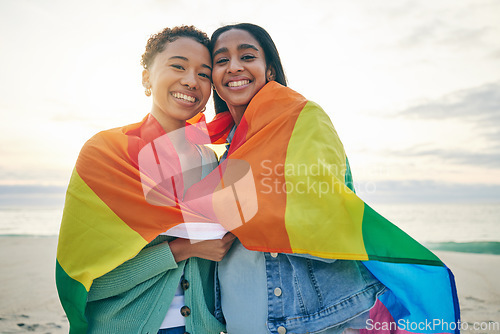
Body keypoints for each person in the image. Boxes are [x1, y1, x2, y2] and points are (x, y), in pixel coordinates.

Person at [56, 25, 234, 334]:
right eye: (177, 66)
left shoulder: (213, 163)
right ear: (146, 78)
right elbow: (90, 284)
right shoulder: (106, 154)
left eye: (204, 74)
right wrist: (183, 248)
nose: (191, 80)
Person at [209, 23, 385, 334]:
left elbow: (326, 217)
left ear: (270, 71)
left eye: (247, 56)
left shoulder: (304, 119)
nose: (234, 67)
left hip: (311, 321)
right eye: (221, 60)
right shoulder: (223, 152)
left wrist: (232, 217)